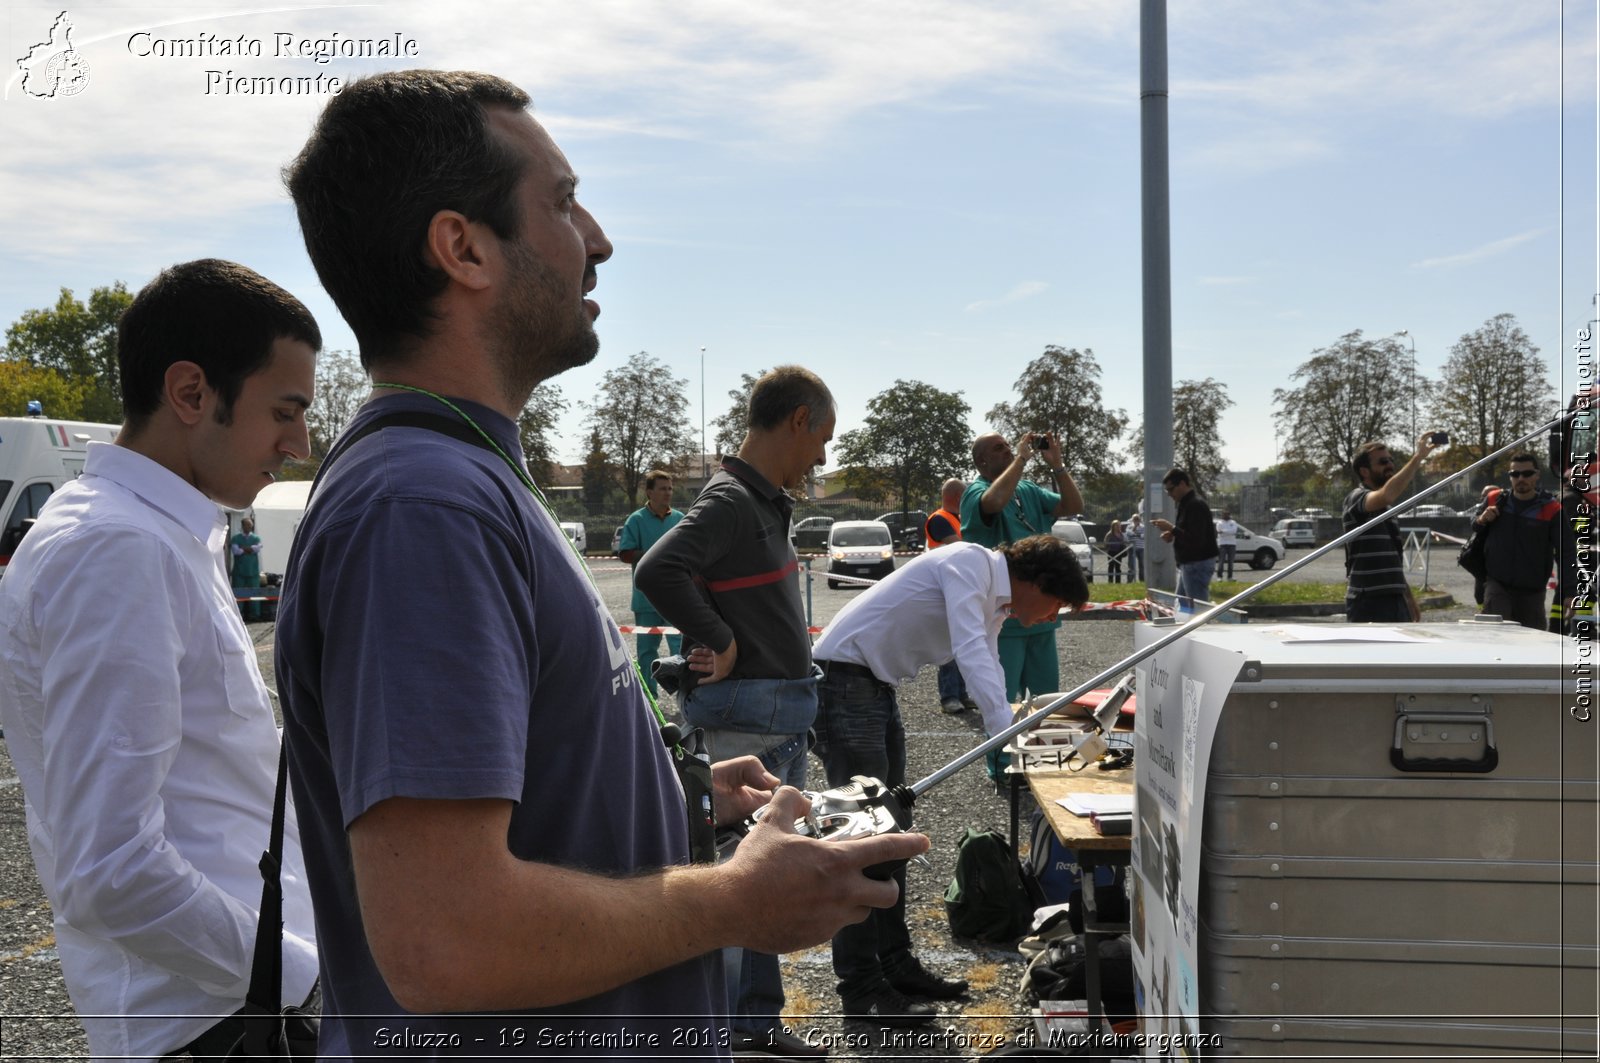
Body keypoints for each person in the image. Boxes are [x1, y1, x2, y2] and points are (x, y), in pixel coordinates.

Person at [276, 70, 925, 1059]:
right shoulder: (425, 505)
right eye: (562, 202)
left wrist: (668, 802)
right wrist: (732, 903)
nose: (599, 238)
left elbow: (504, 805)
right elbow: (447, 940)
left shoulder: (464, 476)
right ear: (462, 248)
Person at [0, 259, 322, 1061]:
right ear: (190, 393)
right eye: (285, 409)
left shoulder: (153, 531)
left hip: (218, 1007)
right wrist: (301, 975)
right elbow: (110, 866)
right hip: (208, 1022)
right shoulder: (118, 548)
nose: (301, 440)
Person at [634, 364, 834, 1055]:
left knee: (761, 880)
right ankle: (708, 1036)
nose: (823, 457)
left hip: (772, 715)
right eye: (822, 438)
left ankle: (751, 1025)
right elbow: (655, 569)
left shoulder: (762, 498)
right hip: (744, 722)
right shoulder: (730, 500)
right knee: (726, 885)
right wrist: (719, 637)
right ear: (798, 421)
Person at [810, 535, 1087, 1025]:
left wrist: (1011, 724)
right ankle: (861, 990)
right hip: (842, 684)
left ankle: (895, 967)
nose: (1051, 617)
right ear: (1037, 583)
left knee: (890, 840)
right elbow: (969, 647)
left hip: (872, 687)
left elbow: (989, 659)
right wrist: (1008, 732)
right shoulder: (969, 565)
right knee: (863, 845)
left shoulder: (994, 596)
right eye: (1056, 604)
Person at [960, 431, 1082, 708]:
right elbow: (993, 503)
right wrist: (1021, 459)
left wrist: (1057, 465)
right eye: (998, 448)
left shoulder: (1028, 490)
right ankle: (1001, 753)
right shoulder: (975, 493)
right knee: (1000, 702)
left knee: (1047, 702)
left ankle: (1041, 751)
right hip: (1003, 621)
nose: (1007, 450)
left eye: (1007, 446)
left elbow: (1074, 505)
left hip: (1041, 614)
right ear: (982, 461)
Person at [1341, 434, 1442, 622]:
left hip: (1394, 599)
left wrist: (1408, 597)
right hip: (1367, 600)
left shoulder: (1387, 510)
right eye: (1382, 462)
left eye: (1390, 460)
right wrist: (1418, 457)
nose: (1389, 465)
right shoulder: (1356, 498)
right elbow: (1387, 495)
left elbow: (1393, 560)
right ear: (1364, 471)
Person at [1474, 453, 1562, 629]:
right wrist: (1482, 519)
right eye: (1515, 474)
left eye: (1527, 474)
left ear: (1537, 475)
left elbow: (1566, 552)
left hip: (1532, 592)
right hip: (1497, 584)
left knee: (1531, 649)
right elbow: (1475, 526)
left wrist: (1569, 591)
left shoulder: (1551, 508)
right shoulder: (1494, 499)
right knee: (1493, 638)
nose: (1521, 478)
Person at [616, 469, 683, 696]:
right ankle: (649, 699)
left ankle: (684, 696)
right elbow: (624, 553)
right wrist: (654, 555)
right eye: (662, 489)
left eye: (670, 488)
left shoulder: (680, 519)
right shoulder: (636, 520)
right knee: (647, 652)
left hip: (676, 598)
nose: (668, 493)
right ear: (649, 492)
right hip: (646, 599)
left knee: (681, 648)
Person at [925, 477, 976, 714]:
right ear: (958, 497)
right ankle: (949, 697)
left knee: (962, 643)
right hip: (943, 588)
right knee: (948, 646)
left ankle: (961, 694)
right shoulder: (940, 519)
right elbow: (961, 547)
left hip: (958, 587)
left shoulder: (956, 519)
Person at [1150, 469, 1218, 612]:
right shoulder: (1185, 503)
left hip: (1197, 564)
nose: (1169, 494)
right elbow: (1187, 532)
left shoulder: (1195, 505)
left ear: (1182, 484)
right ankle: (1187, 633)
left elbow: (1196, 539)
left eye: (1170, 489)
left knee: (1197, 610)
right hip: (1189, 564)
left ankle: (1200, 633)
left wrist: (1172, 529)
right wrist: (1172, 534)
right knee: (1182, 607)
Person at [230, 515, 264, 621]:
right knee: (239, 595)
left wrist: (243, 549)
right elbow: (236, 551)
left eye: (251, 526)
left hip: (253, 571)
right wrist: (249, 549)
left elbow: (257, 548)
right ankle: (239, 615)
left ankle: (255, 615)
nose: (249, 527)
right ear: (243, 526)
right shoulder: (235, 538)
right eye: (248, 525)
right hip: (239, 572)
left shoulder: (256, 538)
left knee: (255, 595)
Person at [1214, 510, 1239, 580]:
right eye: (1224, 514)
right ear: (1222, 515)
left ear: (1229, 515)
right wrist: (1228, 531)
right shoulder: (1219, 523)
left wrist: (1224, 531)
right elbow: (1219, 531)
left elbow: (1234, 531)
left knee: (1231, 562)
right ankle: (1219, 577)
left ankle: (1230, 577)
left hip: (1232, 544)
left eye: (1227, 514)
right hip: (1222, 544)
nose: (1226, 516)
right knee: (1221, 561)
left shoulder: (1233, 522)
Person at [1103, 519, 1127, 583]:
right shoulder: (1109, 534)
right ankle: (1110, 581)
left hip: (1119, 552)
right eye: (1116, 525)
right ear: (1113, 526)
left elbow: (1124, 542)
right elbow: (1105, 543)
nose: (1117, 527)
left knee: (1118, 567)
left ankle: (1118, 581)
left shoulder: (1121, 534)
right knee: (1111, 566)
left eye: (1118, 525)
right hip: (1111, 552)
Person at [1126, 513, 1146, 581]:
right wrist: (1135, 527)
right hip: (1132, 548)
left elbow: (1144, 536)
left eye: (1137, 519)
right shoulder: (1129, 526)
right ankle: (1130, 580)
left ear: (1140, 519)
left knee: (1142, 565)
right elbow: (1129, 534)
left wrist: (1137, 535)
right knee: (1131, 565)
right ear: (1132, 520)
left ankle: (1142, 580)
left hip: (1141, 548)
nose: (1136, 520)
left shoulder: (1143, 527)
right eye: (1135, 519)